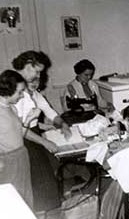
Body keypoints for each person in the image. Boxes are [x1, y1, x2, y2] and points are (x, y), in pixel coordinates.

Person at [12, 50, 71, 212]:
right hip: (22, 140)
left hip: (31, 135)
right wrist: (45, 141)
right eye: (37, 71)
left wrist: (61, 124)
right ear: (26, 65)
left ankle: (47, 207)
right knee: (41, 183)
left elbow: (49, 112)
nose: (38, 76)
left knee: (47, 177)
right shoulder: (15, 88)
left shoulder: (31, 91)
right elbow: (18, 127)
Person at [0, 70, 33, 208]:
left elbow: (19, 134)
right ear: (8, 90)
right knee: (12, 203)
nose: (22, 96)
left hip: (21, 155)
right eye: (19, 92)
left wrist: (29, 119)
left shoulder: (12, 108)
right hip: (7, 161)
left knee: (26, 198)